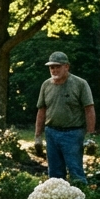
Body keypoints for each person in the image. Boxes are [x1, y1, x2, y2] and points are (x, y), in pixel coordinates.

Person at [33, 51, 95, 184]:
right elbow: (41, 110)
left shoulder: (80, 84)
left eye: (57, 66)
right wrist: (38, 136)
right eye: (52, 67)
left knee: (75, 170)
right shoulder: (46, 85)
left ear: (66, 67)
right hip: (51, 132)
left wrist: (90, 136)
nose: (54, 70)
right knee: (54, 173)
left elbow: (89, 109)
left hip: (73, 133)